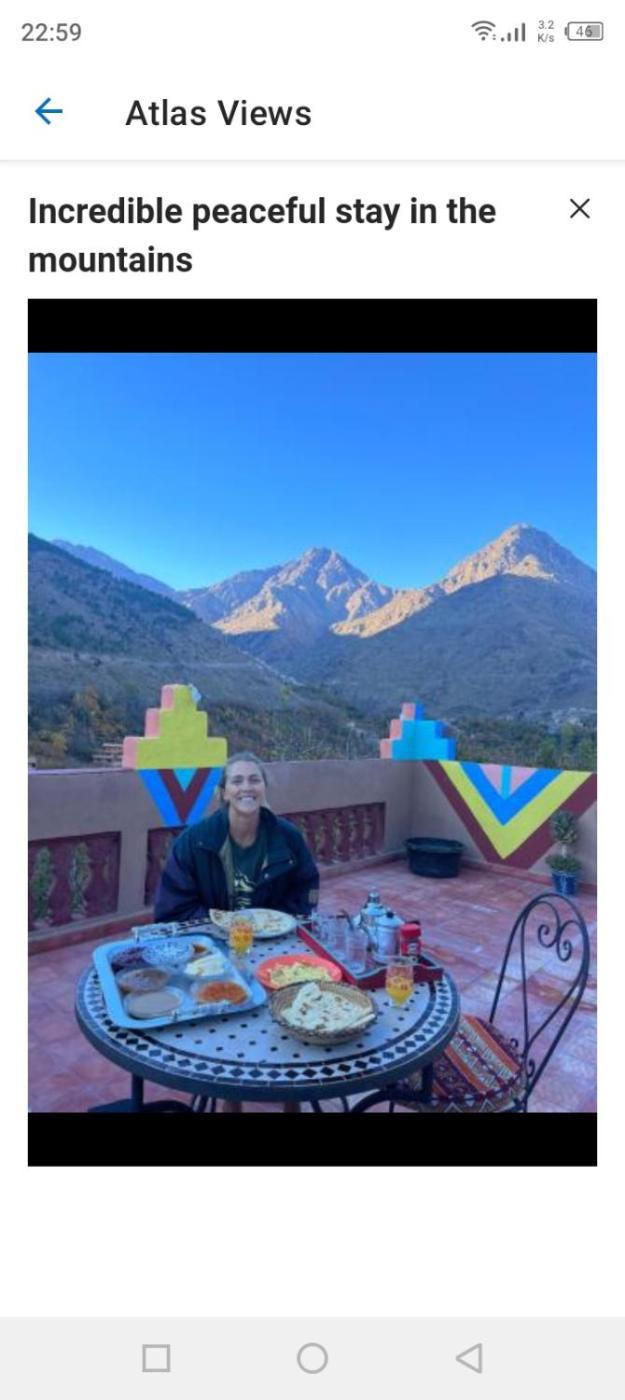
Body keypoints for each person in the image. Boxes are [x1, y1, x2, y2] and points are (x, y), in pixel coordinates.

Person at [154, 751, 319, 922]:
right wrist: (225, 926)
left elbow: (308, 888)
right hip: (212, 935)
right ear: (224, 792)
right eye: (237, 781)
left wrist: (275, 922)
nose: (246, 787)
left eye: (254, 780)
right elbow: (173, 906)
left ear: (264, 788)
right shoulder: (193, 842)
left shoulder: (289, 837)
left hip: (271, 934)